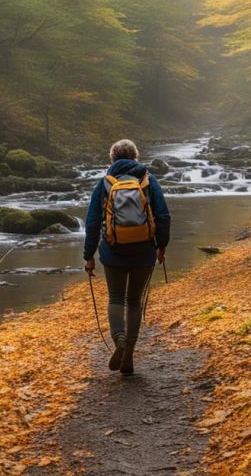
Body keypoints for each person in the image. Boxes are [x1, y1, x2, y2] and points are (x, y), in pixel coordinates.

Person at [83, 139, 171, 375]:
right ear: (135, 157)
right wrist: (161, 246)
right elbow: (163, 216)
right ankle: (129, 354)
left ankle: (119, 339)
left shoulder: (104, 184)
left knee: (116, 299)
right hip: (144, 251)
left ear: (112, 159)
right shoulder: (148, 181)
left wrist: (88, 255)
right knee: (134, 302)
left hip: (113, 252)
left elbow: (92, 224)